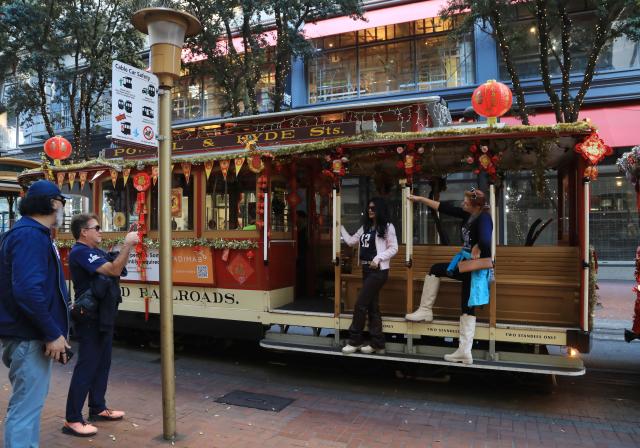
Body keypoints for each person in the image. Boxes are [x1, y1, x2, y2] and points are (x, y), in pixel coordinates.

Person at [0, 180, 71, 448]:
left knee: (27, 407)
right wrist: (52, 332)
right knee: (25, 409)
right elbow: (29, 291)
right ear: (53, 203)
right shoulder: (30, 235)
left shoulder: (26, 233)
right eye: (62, 203)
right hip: (29, 337)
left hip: (25, 335)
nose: (63, 209)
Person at [62, 213, 139, 437]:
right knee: (87, 366)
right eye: (96, 228)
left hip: (103, 316)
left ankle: (97, 407)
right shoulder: (81, 252)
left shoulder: (94, 252)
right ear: (84, 232)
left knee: (102, 363)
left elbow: (117, 267)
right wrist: (127, 245)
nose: (100, 231)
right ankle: (72, 419)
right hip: (90, 319)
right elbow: (114, 270)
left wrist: (122, 250)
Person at [405, 187, 493, 364]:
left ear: (475, 205)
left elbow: (485, 239)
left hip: (475, 269)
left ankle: (464, 352)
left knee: (467, 306)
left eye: (466, 202)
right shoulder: (469, 214)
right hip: (465, 264)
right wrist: (421, 199)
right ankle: (425, 310)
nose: (462, 203)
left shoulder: (483, 217)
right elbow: (442, 207)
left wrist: (477, 246)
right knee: (436, 269)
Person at [340, 197, 398, 355]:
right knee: (372, 307)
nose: (370, 210)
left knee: (360, 304)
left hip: (379, 271)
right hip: (366, 270)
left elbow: (394, 248)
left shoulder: (387, 227)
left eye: (373, 208)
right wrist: (340, 227)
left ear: (380, 209)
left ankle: (355, 341)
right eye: (369, 208)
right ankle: (377, 343)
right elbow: (352, 242)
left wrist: (378, 258)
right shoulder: (365, 227)